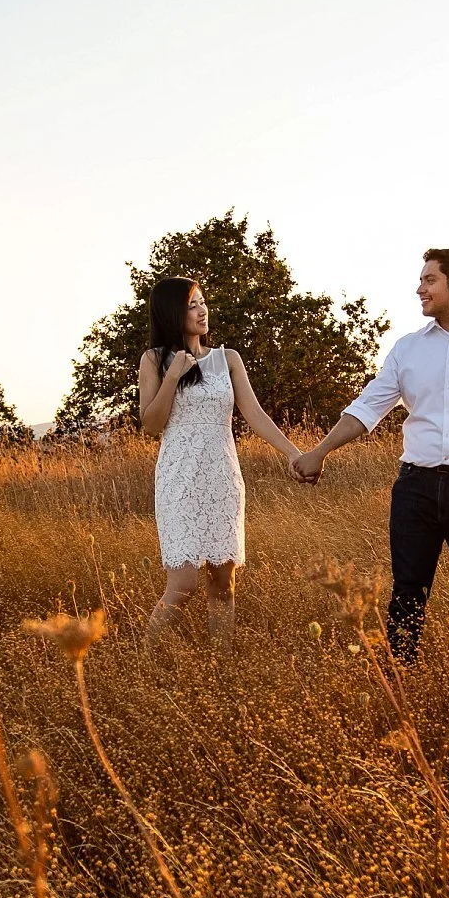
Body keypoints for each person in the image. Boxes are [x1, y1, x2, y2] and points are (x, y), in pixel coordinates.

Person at [291, 249, 449, 657]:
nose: (420, 289)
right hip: (415, 487)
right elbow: (368, 406)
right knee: (407, 592)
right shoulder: (408, 348)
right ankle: (401, 681)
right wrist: (320, 451)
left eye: (430, 280)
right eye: (422, 280)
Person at [140, 276, 306, 647]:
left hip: (222, 476)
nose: (202, 311)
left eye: (202, 302)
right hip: (178, 478)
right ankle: (143, 660)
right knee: (183, 583)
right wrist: (173, 377)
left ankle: (222, 667)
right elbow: (151, 425)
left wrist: (293, 451)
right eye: (192, 305)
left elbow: (255, 414)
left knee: (222, 582)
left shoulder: (227, 359)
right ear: (171, 314)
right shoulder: (152, 360)